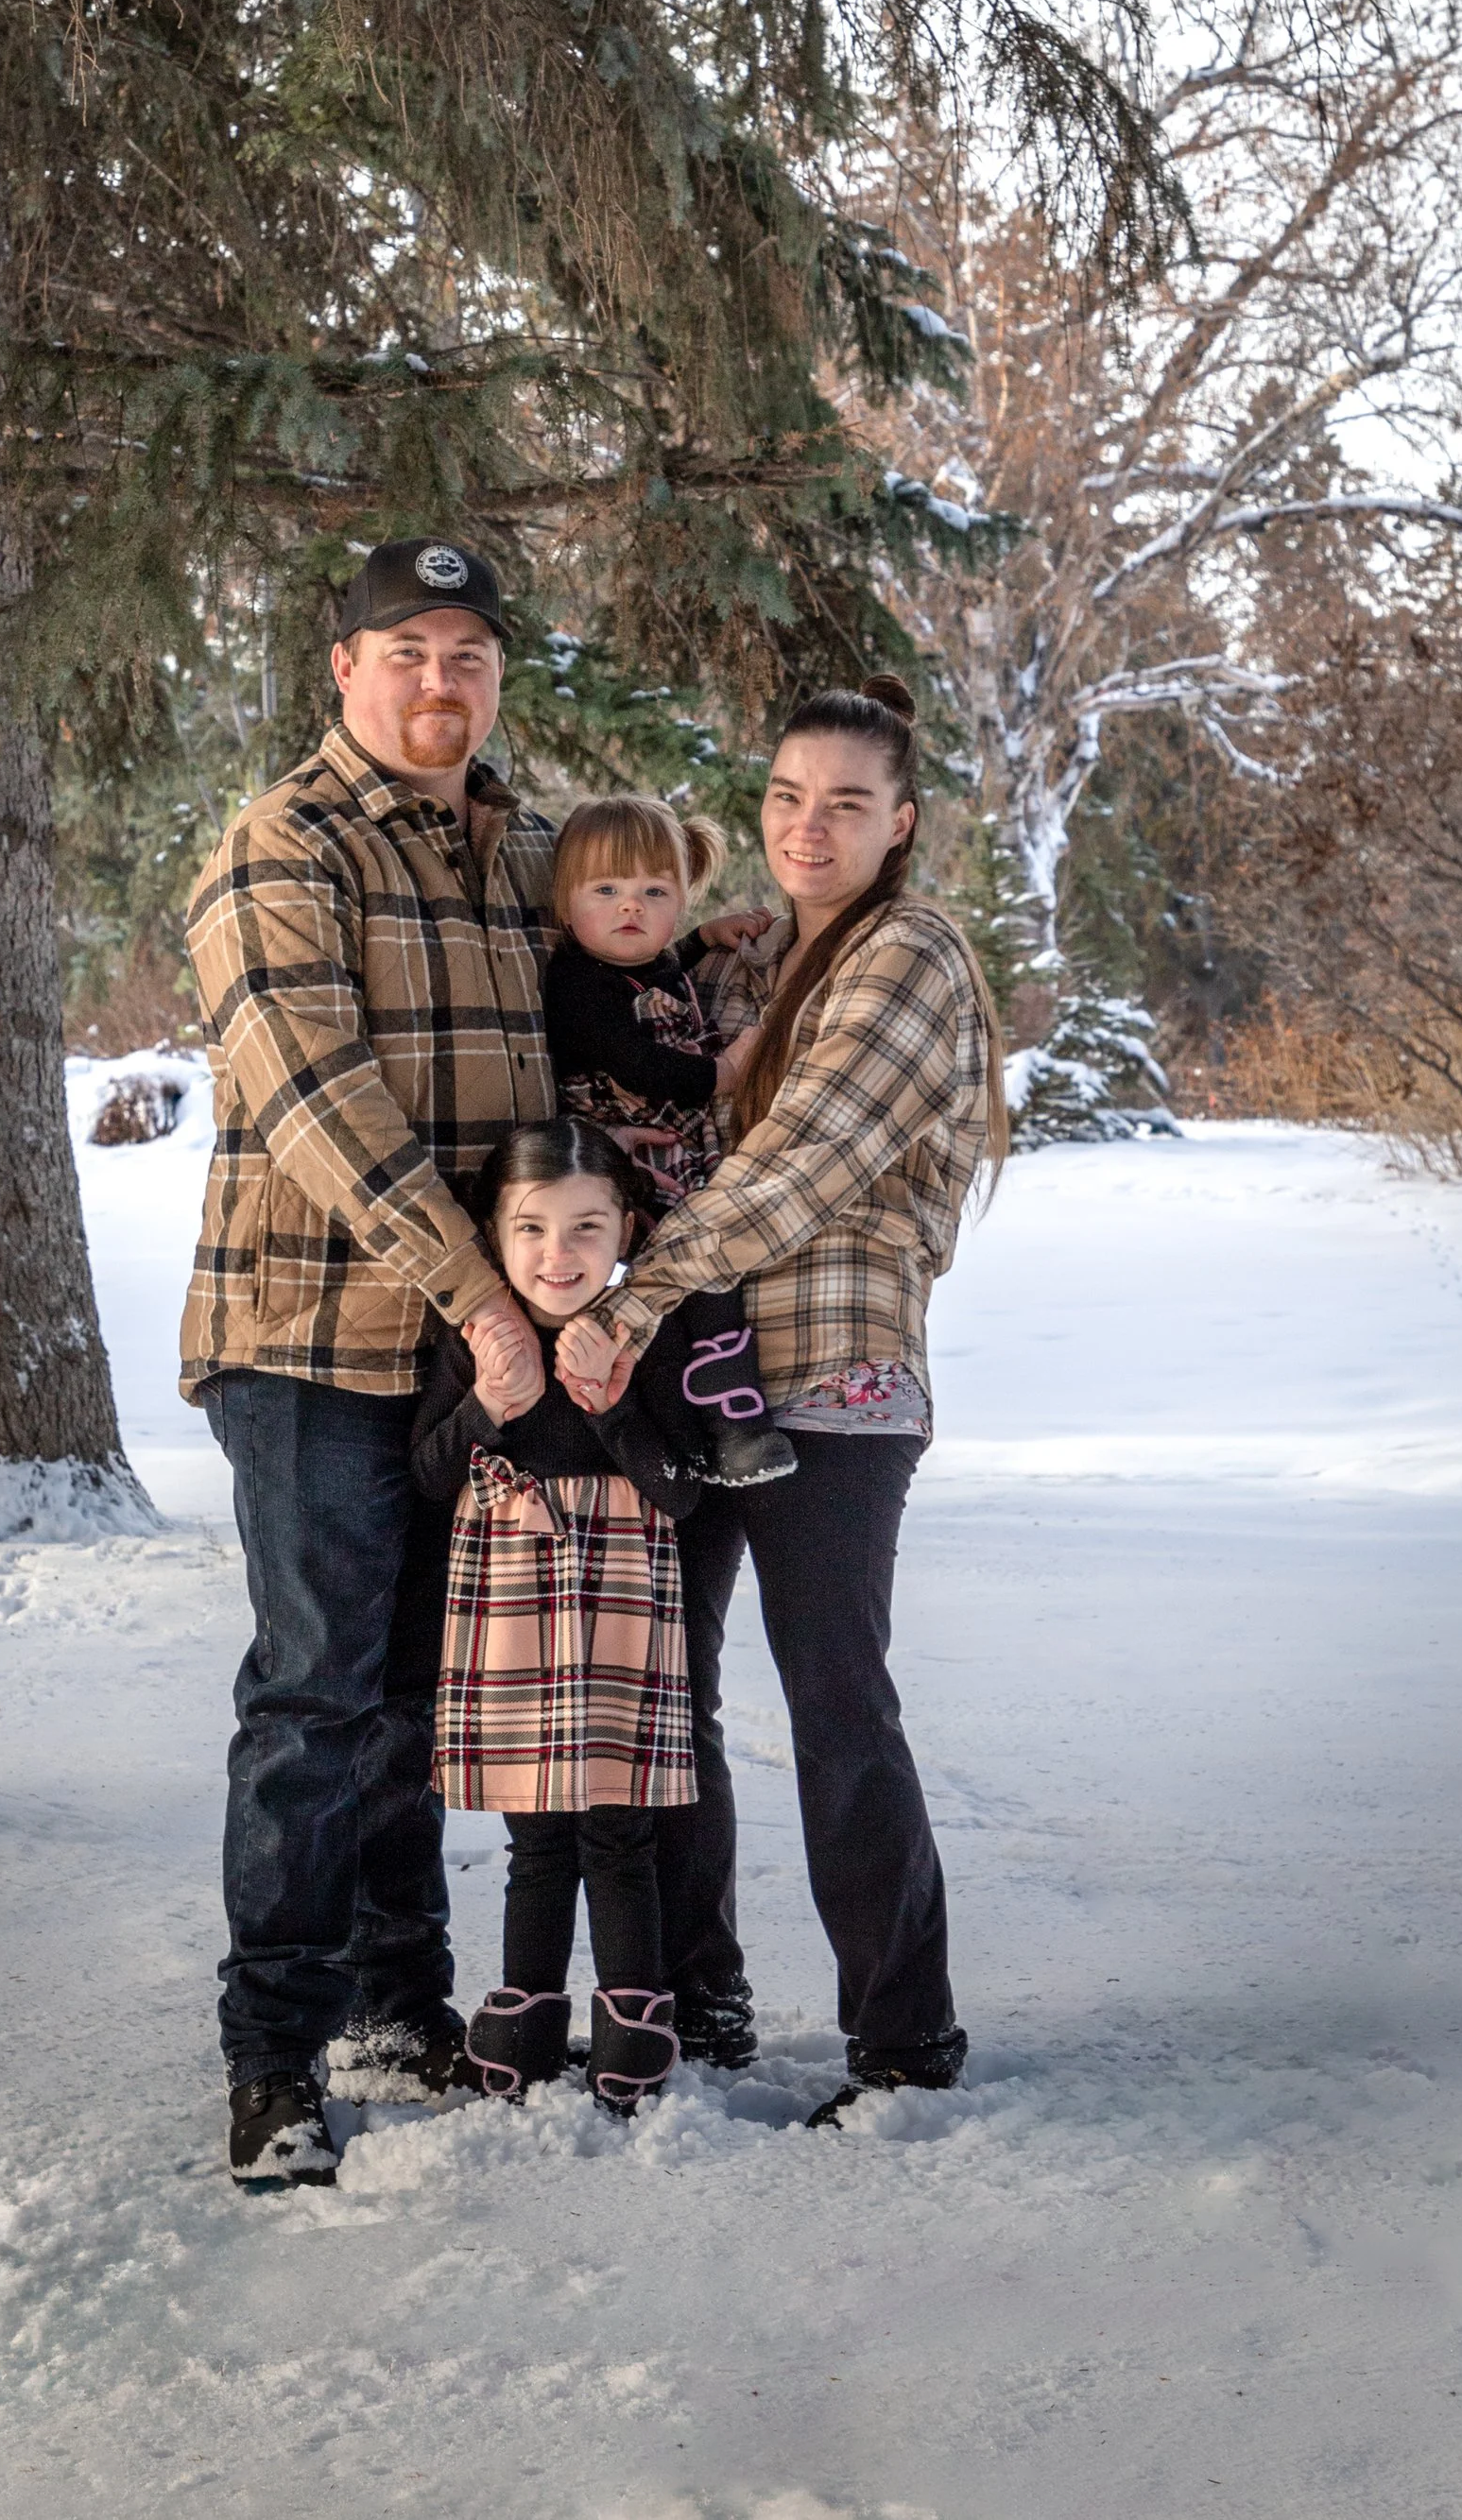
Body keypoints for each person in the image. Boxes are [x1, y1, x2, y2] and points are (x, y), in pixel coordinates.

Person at [570, 677, 1011, 2122]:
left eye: (845, 801)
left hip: (827, 1371)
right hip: (708, 1370)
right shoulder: (755, 963)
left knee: (833, 1701)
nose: (806, 827)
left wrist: (629, 1298)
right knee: (670, 1697)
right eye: (782, 796)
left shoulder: (912, 953)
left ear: (903, 822)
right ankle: (703, 2004)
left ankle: (903, 2038)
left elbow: (797, 1164)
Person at [181, 539, 559, 2191]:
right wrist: (484, 1297)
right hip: (314, 1339)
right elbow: (320, 1101)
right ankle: (275, 2057)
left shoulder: (522, 846)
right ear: (341, 670)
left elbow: (624, 985)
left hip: (475, 1346)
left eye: (467, 653)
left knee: (416, 1698)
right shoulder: (282, 846)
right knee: (317, 1697)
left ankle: (400, 2007)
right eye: (404, 650)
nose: (437, 680)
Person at [411, 1123, 699, 2115]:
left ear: (625, 1228)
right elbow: (429, 1473)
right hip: (512, 1594)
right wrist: (490, 1403)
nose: (558, 1254)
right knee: (538, 1837)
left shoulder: (638, 1337)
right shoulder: (478, 1342)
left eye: (586, 1227)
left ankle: (632, 2012)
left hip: (624, 1592)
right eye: (530, 1228)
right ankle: (529, 2005)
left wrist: (613, 1406)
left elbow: (684, 1492)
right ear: (493, 1234)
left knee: (617, 1829)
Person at [543, 792, 795, 1490]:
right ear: (567, 905)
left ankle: (704, 1428)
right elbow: (638, 1062)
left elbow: (653, 971)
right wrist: (726, 1072)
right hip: (622, 1161)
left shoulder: (645, 960)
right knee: (698, 1270)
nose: (632, 907)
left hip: (674, 1153)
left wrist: (701, 941)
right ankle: (732, 1427)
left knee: (707, 1269)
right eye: (607, 890)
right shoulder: (575, 981)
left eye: (655, 891)